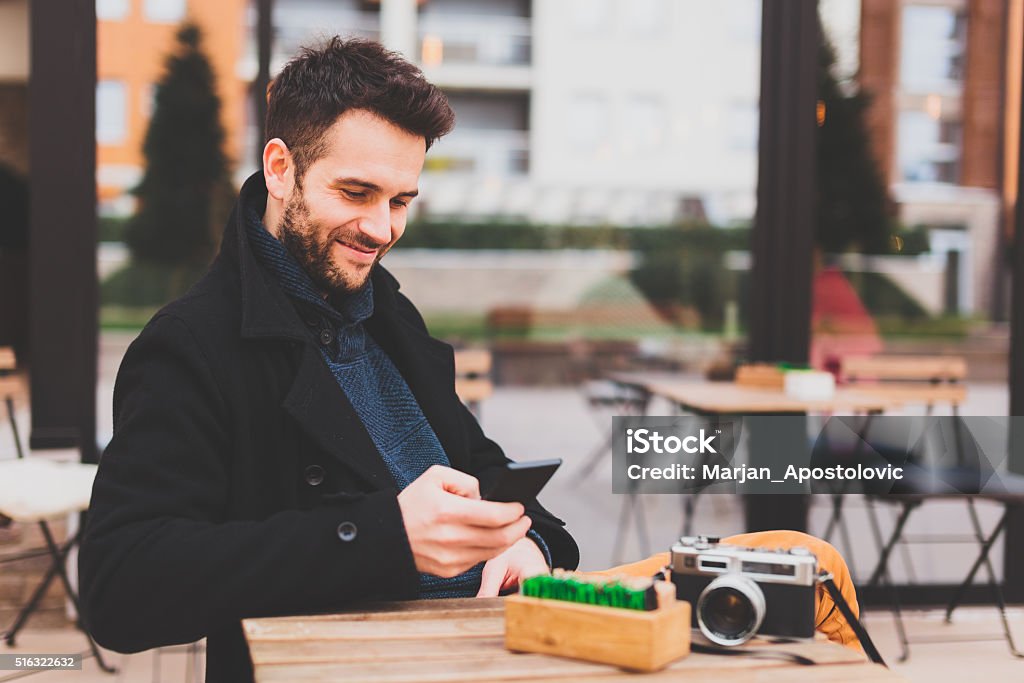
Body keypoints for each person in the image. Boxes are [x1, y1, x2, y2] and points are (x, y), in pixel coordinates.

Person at [80, 38, 862, 683]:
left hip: (492, 640)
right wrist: (383, 535)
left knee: (808, 560)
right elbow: (120, 586)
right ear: (281, 169)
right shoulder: (193, 344)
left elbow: (511, 493)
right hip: (364, 663)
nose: (381, 228)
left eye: (401, 201)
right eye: (357, 192)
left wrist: (531, 546)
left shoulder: (390, 318)